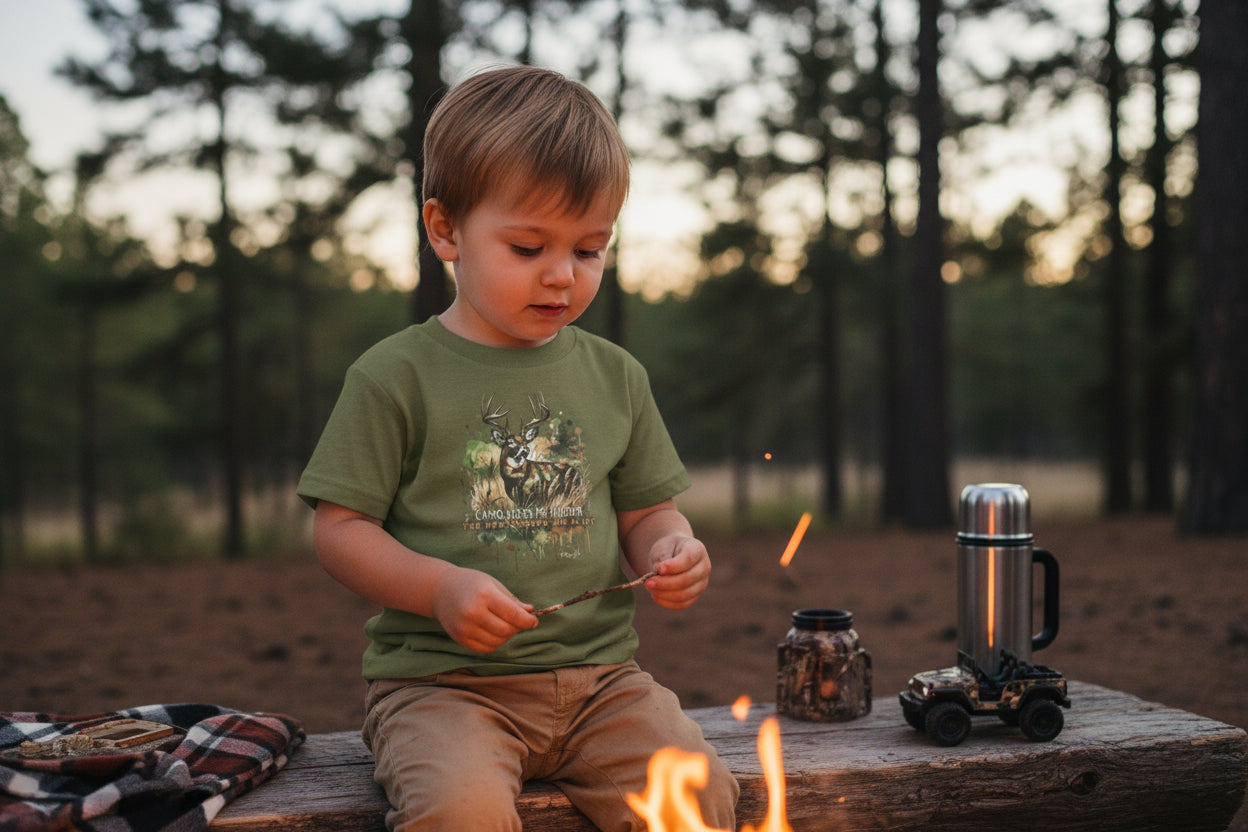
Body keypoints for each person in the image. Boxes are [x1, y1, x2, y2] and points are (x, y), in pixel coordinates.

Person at [297, 65, 739, 831]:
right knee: (459, 813)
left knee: (699, 794)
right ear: (445, 230)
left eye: (591, 250)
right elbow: (339, 531)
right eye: (529, 246)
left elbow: (646, 512)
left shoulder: (616, 377)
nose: (562, 276)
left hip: (606, 685)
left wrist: (673, 547)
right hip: (444, 688)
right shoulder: (394, 376)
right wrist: (439, 589)